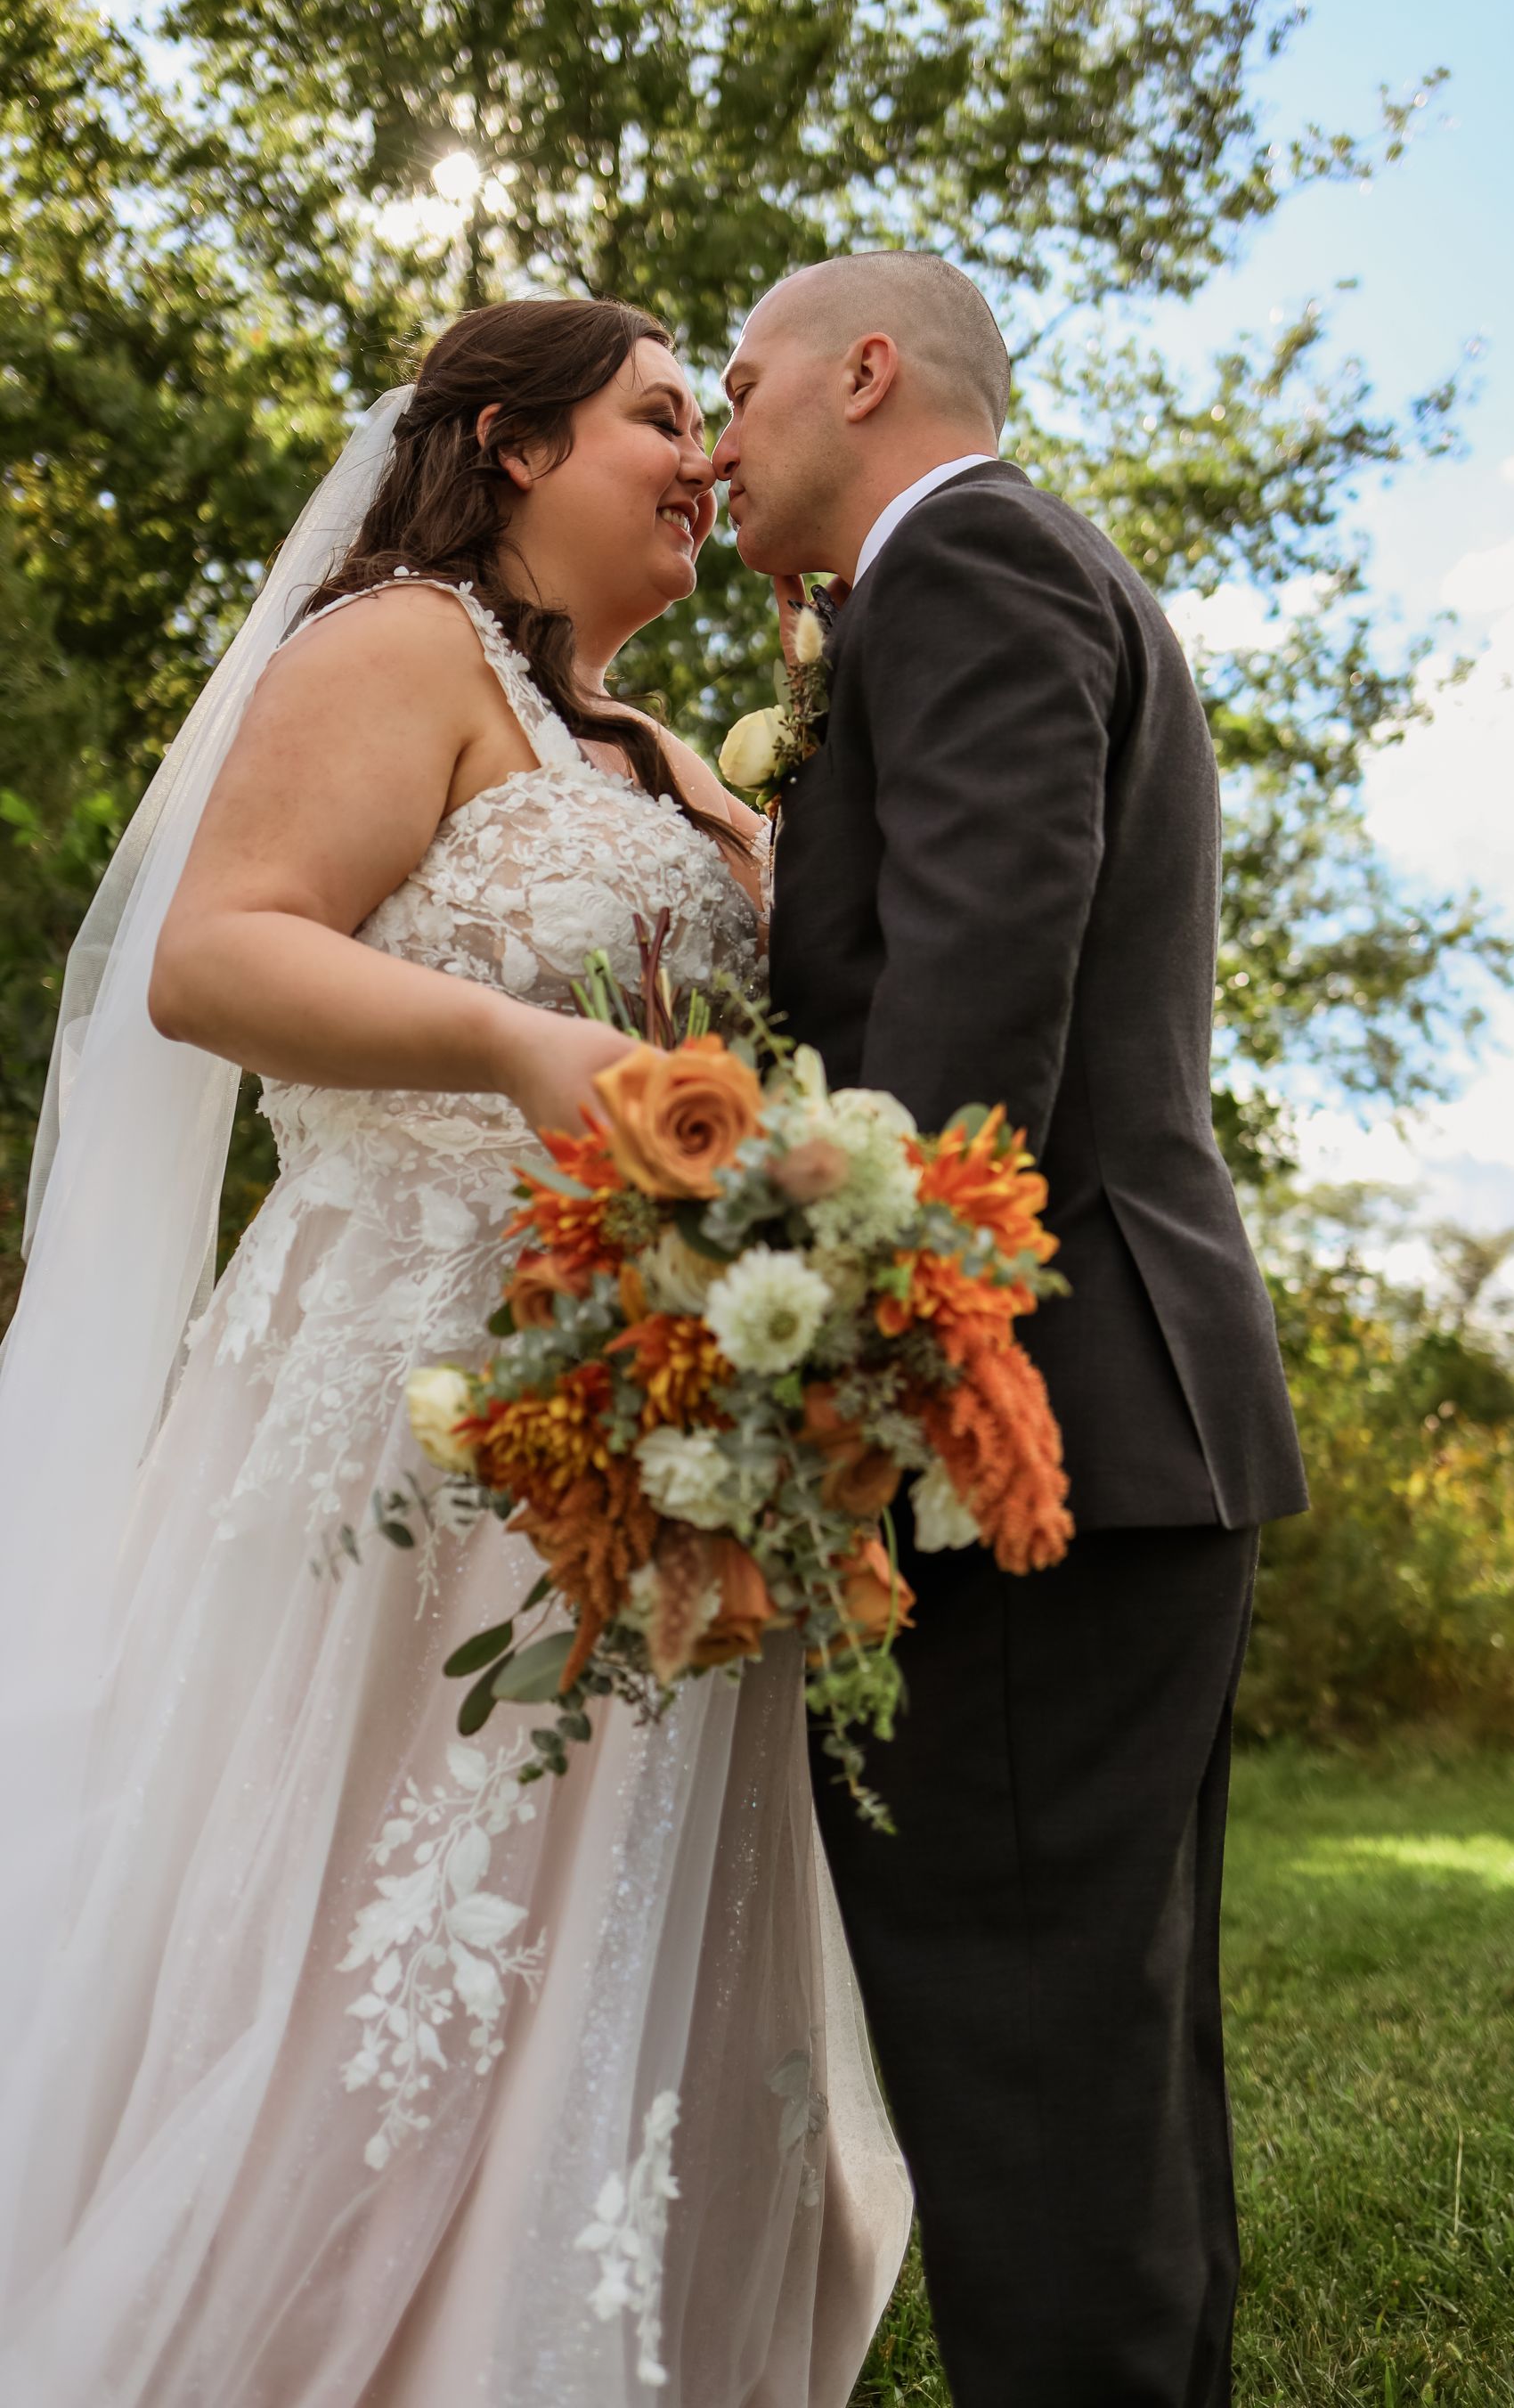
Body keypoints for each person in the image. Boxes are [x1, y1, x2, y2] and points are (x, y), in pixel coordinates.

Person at [0, 297, 909, 2406]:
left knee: (605, 1904)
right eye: (660, 417)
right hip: (397, 1389)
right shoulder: (396, 645)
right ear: (509, 443)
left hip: (643, 1407)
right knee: (374, 1910)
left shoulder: (672, 757)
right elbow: (217, 958)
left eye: (713, 422)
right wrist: (513, 1039)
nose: (700, 455)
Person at [714, 249, 1309, 2408]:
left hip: (1026, 1428)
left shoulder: (961, 563)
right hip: (1134, 1414)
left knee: (1025, 2054)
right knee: (1100, 2052)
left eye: (746, 378)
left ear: (865, 373)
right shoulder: (1024, 573)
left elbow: (975, 1023)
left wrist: (836, 1389)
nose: (718, 425)